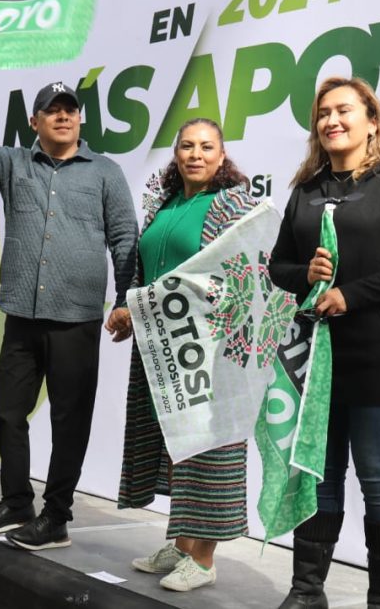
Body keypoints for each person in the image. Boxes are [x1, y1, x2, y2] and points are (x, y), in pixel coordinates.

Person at [0, 80, 138, 550]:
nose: (63, 117)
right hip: (22, 314)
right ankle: (17, 503)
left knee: (69, 421)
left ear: (80, 119)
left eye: (70, 110)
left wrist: (125, 298)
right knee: (5, 410)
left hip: (77, 319)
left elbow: (125, 237)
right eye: (51, 110)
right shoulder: (15, 164)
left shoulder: (105, 172)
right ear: (34, 121)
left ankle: (56, 517)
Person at [268, 77, 380, 608]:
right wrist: (307, 273)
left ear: (372, 120)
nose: (331, 121)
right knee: (318, 480)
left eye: (343, 110)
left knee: (379, 480)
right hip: (320, 359)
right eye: (323, 113)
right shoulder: (306, 189)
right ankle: (307, 593)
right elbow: (278, 266)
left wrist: (351, 295)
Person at [107, 119, 258, 591]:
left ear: (222, 154)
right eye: (187, 146)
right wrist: (129, 308)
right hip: (160, 350)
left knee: (208, 449)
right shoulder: (165, 202)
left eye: (206, 147)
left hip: (208, 352)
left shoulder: (234, 203)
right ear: (176, 154)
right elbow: (145, 268)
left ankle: (205, 559)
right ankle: (181, 543)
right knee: (177, 447)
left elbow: (247, 274)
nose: (195, 154)